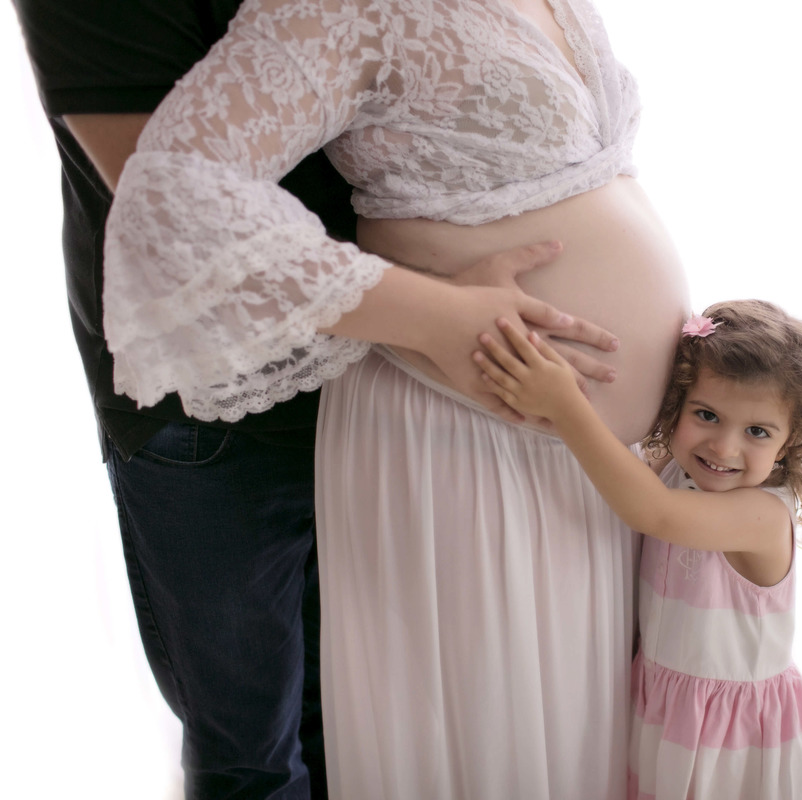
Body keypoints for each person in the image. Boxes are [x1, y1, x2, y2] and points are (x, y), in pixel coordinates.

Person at [12, 1, 623, 797]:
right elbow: (168, 206)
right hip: (210, 407)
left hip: (387, 372)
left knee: (375, 721)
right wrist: (438, 314)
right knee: (256, 752)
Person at [475, 299, 802, 800]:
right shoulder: (674, 467)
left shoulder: (762, 516)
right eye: (707, 414)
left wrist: (565, 405)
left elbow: (653, 513)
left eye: (757, 431)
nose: (723, 447)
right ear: (679, 404)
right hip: (667, 715)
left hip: (734, 737)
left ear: (791, 439)